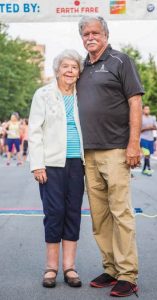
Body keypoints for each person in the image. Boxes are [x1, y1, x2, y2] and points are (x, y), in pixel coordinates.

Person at [77, 16, 144, 298]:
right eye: (85, 33)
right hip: (87, 153)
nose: (90, 37)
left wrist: (133, 144)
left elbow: (135, 101)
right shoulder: (81, 66)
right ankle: (111, 268)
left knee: (121, 214)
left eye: (95, 32)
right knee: (100, 217)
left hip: (116, 149)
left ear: (105, 34)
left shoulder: (121, 60)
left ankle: (127, 274)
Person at [28, 49, 84, 288]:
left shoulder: (84, 95)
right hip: (51, 164)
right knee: (54, 213)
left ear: (79, 72)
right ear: (57, 70)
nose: (70, 70)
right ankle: (51, 268)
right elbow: (34, 130)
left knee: (73, 213)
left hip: (77, 163)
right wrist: (37, 164)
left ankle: (69, 267)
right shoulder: (44, 94)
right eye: (65, 66)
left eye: (74, 67)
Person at [140, 105, 157, 176]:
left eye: (148, 109)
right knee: (146, 154)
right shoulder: (141, 118)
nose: (147, 110)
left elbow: (155, 127)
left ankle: (144, 170)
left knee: (148, 155)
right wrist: (147, 127)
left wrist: (151, 127)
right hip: (143, 138)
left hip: (150, 138)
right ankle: (149, 169)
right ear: (143, 110)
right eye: (146, 109)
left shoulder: (152, 118)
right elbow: (140, 129)